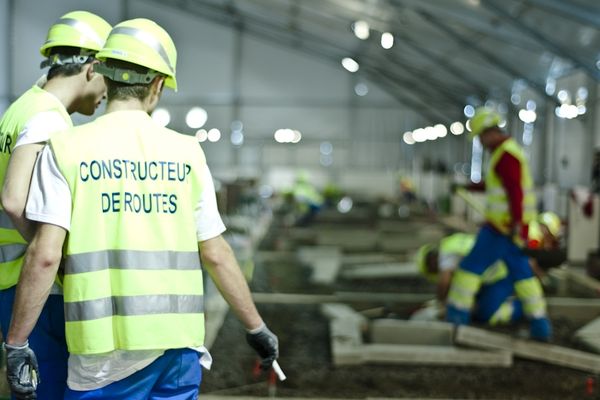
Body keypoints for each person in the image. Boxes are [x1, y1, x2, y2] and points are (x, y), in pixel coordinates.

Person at [4, 18, 278, 399]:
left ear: (102, 74)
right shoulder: (187, 152)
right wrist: (256, 328)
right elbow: (216, 253)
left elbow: (45, 256)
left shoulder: (67, 148)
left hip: (104, 355)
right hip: (179, 350)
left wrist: (16, 343)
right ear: (158, 84)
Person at [0, 11, 111, 399]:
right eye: (107, 79)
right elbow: (14, 200)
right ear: (91, 68)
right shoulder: (49, 119)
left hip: (11, 280)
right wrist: (49, 252)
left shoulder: (21, 107)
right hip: (34, 288)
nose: (106, 94)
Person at [445, 107, 552, 341]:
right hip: (509, 229)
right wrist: (469, 187)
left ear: (490, 132)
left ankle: (456, 317)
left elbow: (515, 192)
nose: (481, 143)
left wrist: (514, 223)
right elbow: (498, 185)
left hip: (500, 229)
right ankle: (540, 324)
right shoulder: (506, 153)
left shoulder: (505, 155)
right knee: (523, 275)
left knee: (470, 268)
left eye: (481, 137)